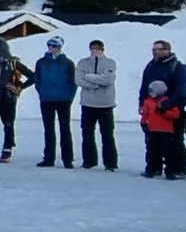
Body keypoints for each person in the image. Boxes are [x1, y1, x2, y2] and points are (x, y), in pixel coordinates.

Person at [76, 40, 121, 172]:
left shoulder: (110, 62)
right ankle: (89, 161)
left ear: (102, 49)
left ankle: (110, 163)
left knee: (107, 135)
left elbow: (108, 80)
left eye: (97, 48)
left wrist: (89, 77)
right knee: (87, 134)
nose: (94, 51)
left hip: (105, 104)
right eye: (92, 48)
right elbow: (79, 80)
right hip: (88, 103)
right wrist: (96, 84)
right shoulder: (83, 63)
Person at [33, 37, 78, 168]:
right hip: (47, 99)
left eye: (53, 46)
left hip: (63, 99)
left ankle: (67, 159)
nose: (51, 48)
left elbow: (73, 81)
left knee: (65, 129)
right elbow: (37, 79)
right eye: (49, 45)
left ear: (59, 47)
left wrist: (69, 97)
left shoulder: (68, 63)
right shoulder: (41, 62)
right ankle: (49, 158)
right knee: (49, 129)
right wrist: (42, 92)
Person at [140, 81, 186, 179]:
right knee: (152, 151)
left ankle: (170, 171)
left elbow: (176, 114)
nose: (150, 92)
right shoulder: (147, 102)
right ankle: (151, 170)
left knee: (168, 152)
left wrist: (164, 112)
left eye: (152, 90)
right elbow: (145, 114)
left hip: (166, 131)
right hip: (152, 131)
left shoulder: (168, 102)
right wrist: (143, 123)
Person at [140, 40, 186, 116]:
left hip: (172, 111)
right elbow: (144, 86)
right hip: (153, 109)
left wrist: (165, 104)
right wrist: (141, 103)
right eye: (154, 50)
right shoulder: (150, 66)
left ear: (167, 50)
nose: (155, 52)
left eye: (159, 49)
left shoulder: (178, 67)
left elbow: (181, 91)